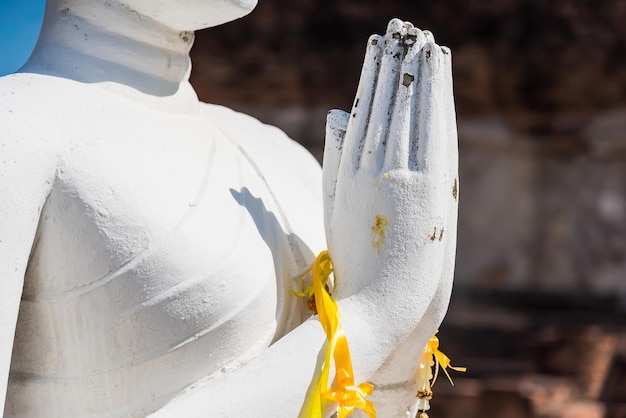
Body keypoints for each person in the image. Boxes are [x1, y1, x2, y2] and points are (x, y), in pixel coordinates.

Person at [0, 0, 459, 416]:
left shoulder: (280, 155)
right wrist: (374, 317)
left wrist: (407, 337)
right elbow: (373, 319)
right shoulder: (18, 128)